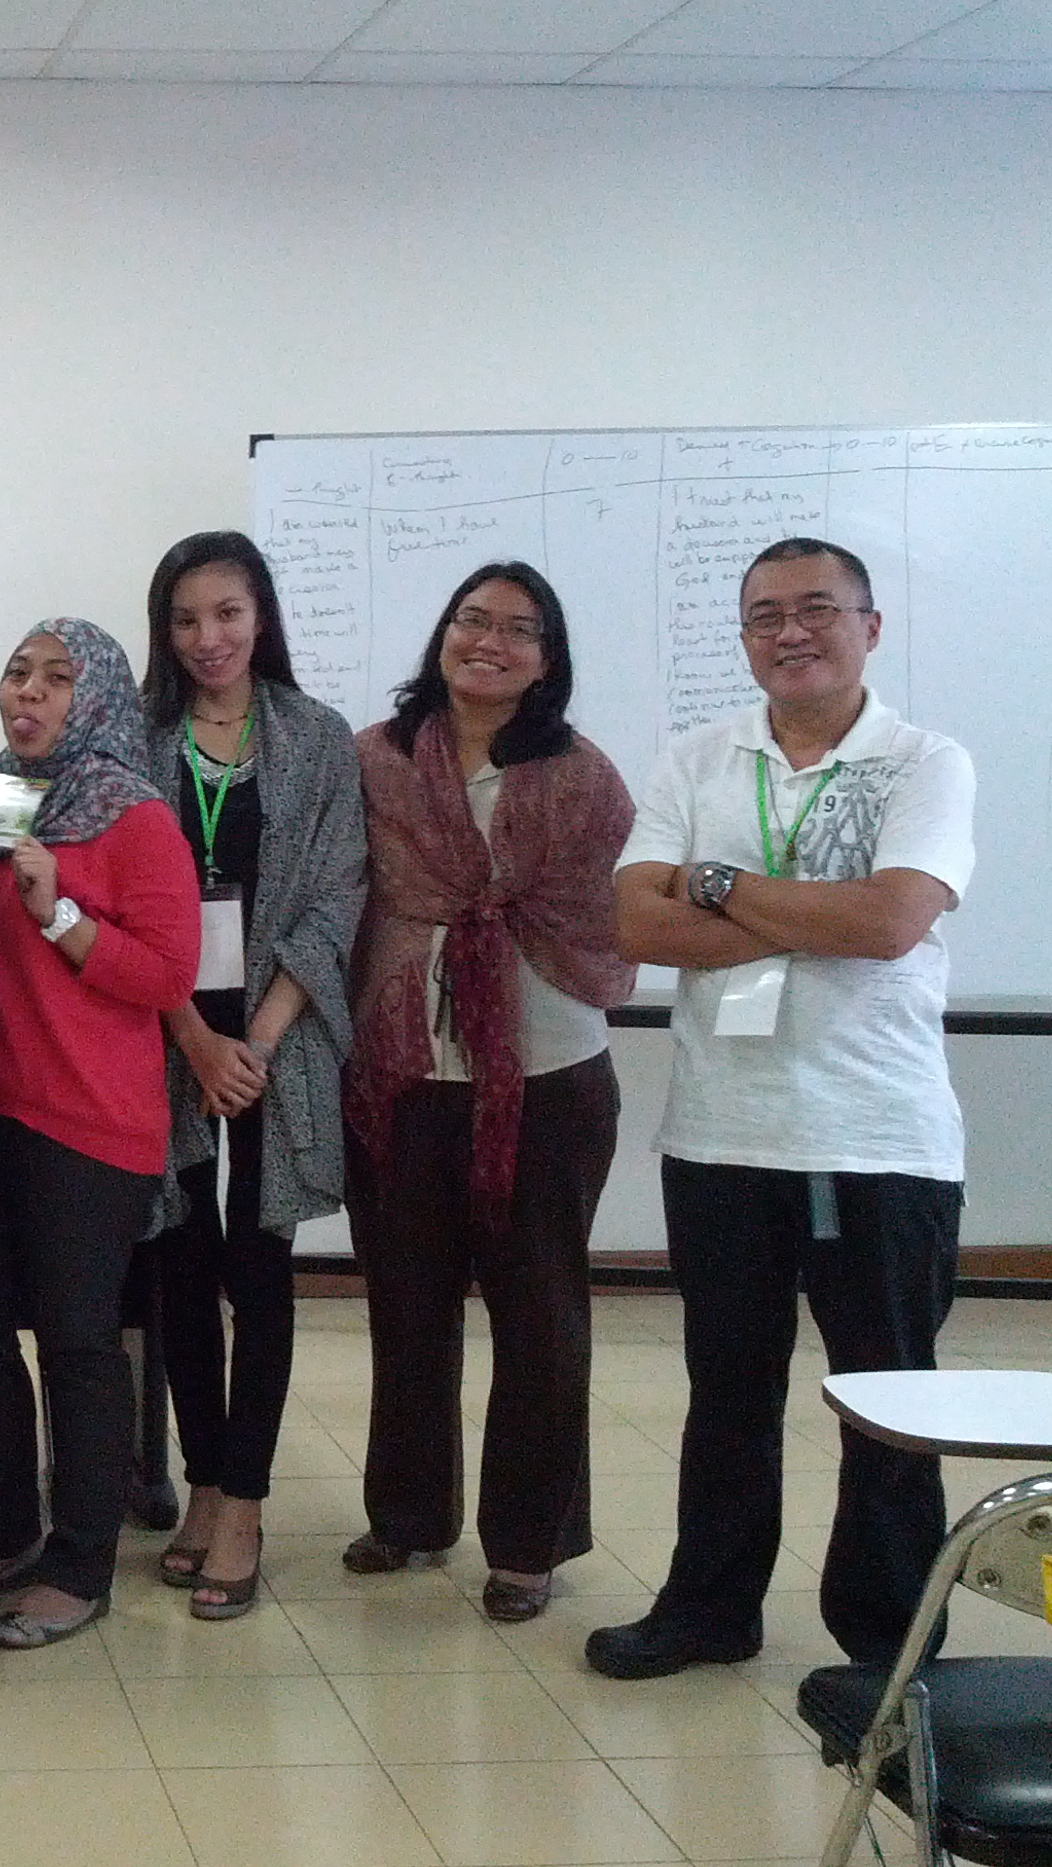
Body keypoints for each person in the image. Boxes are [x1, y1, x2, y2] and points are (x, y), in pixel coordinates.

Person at [587, 536, 975, 1680]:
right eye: (765, 616)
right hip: (722, 1132)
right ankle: (709, 1610)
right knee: (727, 1393)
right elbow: (637, 925)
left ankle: (890, 1642)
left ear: (870, 627)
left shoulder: (924, 762)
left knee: (889, 1404)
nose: (790, 633)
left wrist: (718, 885)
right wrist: (812, 913)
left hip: (880, 1135)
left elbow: (889, 923)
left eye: (816, 609)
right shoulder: (696, 759)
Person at [341, 562, 636, 1623]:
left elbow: (607, 917)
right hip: (401, 1075)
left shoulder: (582, 778)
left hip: (549, 1079)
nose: (489, 642)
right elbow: (341, 896)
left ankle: (528, 1544)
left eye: (519, 629)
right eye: (472, 620)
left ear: (547, 660)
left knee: (540, 1317)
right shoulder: (374, 761)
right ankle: (410, 1516)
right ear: (443, 634)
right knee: (406, 1306)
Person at [0, 617, 202, 1650]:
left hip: (88, 1123)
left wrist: (60, 915)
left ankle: (81, 1564)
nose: (30, 693)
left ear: (94, 698)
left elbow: (168, 976)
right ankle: (6, 1531)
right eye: (18, 673)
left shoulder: (134, 816)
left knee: (78, 1342)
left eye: (56, 678)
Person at [136, 532, 366, 1619]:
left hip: (281, 1032)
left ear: (261, 615)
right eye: (185, 619)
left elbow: (335, 896)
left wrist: (259, 1041)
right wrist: (192, 1034)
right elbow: (122, 905)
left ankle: (245, 1501)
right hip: (163, 1031)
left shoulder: (315, 737)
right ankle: (202, 1481)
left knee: (259, 1264)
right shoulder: (137, 741)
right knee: (178, 1262)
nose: (208, 638)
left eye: (227, 613)